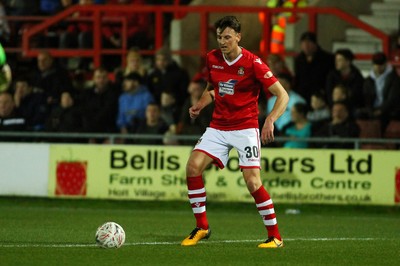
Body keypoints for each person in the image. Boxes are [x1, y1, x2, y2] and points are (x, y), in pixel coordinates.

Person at [180, 16, 289, 248]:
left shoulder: (253, 63)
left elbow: (283, 95)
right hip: (218, 126)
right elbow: (212, 89)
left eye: (227, 37)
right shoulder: (212, 58)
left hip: (246, 128)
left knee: (252, 182)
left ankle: (275, 237)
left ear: (238, 37)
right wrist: (200, 104)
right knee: (192, 167)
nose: (222, 41)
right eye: (219, 37)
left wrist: (270, 120)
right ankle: (202, 227)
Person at [359, 52, 400, 128]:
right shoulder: (369, 80)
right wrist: (370, 110)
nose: (378, 67)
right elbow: (366, 97)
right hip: (374, 108)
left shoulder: (394, 79)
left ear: (385, 64)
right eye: (376, 65)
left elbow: (392, 99)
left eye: (381, 65)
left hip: (388, 110)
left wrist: (381, 110)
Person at [79, 67, 119, 143]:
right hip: (91, 134)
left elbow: (112, 113)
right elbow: (84, 113)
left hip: (109, 134)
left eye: (104, 77)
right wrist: (90, 135)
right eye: (98, 77)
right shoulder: (86, 94)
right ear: (93, 79)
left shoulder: (114, 94)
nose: (101, 80)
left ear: (108, 78)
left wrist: (110, 136)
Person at [294, 31, 335, 103]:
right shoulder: (299, 59)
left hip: (320, 96)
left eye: (309, 43)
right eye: (303, 43)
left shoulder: (327, 58)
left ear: (315, 44)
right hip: (303, 95)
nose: (306, 46)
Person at [116, 72, 154, 137]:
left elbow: (148, 114)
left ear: (136, 83)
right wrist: (122, 127)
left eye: (127, 81)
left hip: (142, 130)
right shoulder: (122, 97)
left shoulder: (147, 96)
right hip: (126, 130)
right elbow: (121, 115)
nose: (124, 84)